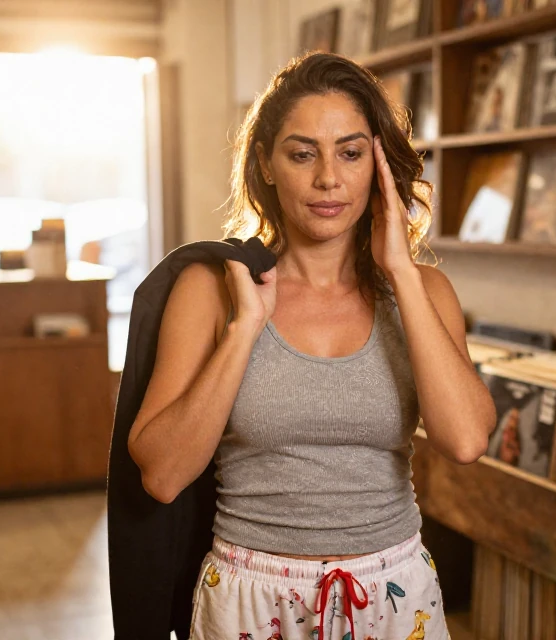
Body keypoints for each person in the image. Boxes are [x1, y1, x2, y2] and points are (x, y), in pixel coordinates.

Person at [128, 52, 496, 639]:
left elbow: (466, 440)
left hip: (393, 595)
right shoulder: (212, 289)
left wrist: (401, 272)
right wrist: (245, 329)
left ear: (378, 164)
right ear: (266, 164)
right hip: (251, 599)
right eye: (303, 154)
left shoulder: (423, 291)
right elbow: (163, 476)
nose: (328, 178)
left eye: (351, 153)